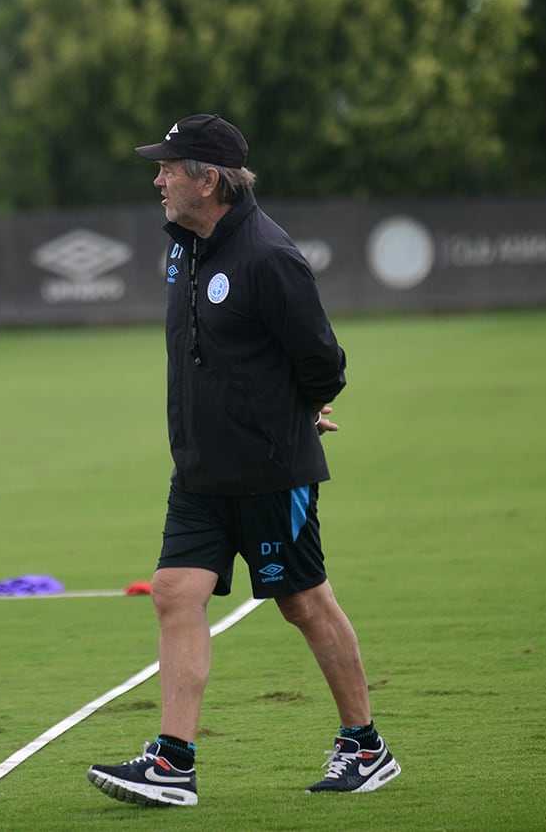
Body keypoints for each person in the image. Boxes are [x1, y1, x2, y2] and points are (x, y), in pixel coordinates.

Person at [86, 114, 399, 806]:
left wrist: (304, 406)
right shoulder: (184, 248)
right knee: (173, 590)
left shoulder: (268, 255)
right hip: (199, 471)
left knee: (303, 600)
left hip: (269, 469)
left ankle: (366, 745)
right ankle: (173, 763)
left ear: (208, 177)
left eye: (170, 167)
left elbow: (323, 359)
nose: (158, 178)